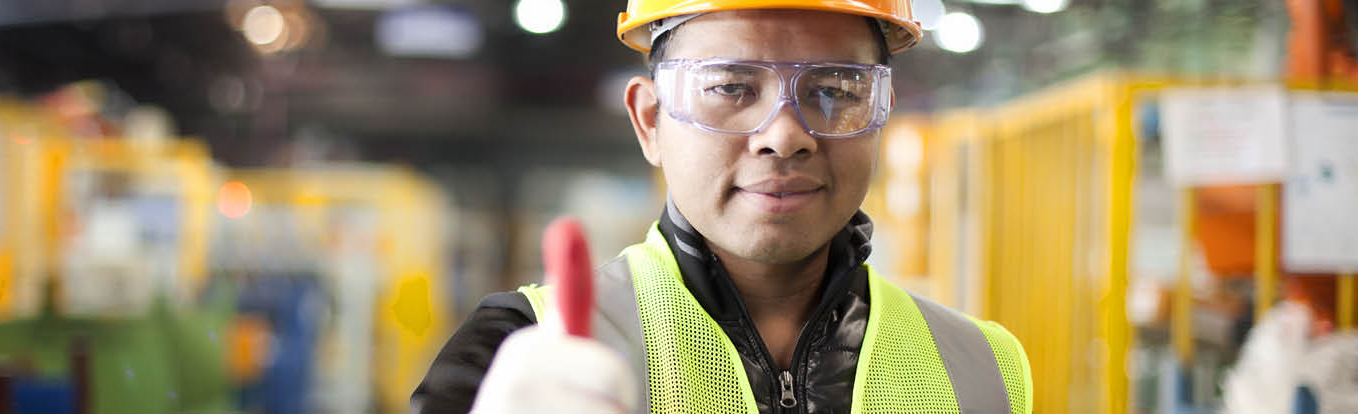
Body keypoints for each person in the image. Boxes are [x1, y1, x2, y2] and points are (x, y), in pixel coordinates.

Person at [412, 1, 1033, 413]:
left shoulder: (985, 370)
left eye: (835, 90)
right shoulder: (521, 351)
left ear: (880, 116)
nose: (784, 134)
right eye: (731, 87)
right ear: (650, 120)